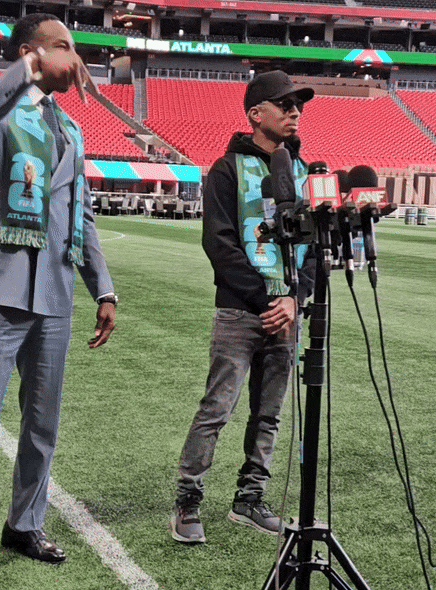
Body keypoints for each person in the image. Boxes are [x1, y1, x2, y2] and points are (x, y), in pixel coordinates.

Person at [0, 13, 117, 590]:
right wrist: (30, 71)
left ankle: (24, 524)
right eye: (62, 45)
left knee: (42, 423)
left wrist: (104, 288)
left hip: (54, 291)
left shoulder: (69, 128)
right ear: (29, 52)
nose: (76, 55)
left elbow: (80, 214)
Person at [172, 70, 316, 544]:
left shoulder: (306, 171)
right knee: (217, 409)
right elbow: (219, 244)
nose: (295, 112)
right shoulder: (226, 168)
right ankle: (188, 500)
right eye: (285, 104)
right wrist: (266, 299)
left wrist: (295, 298)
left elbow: (316, 249)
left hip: (287, 314)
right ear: (256, 114)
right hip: (240, 311)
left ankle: (249, 500)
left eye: (298, 105)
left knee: (269, 415)